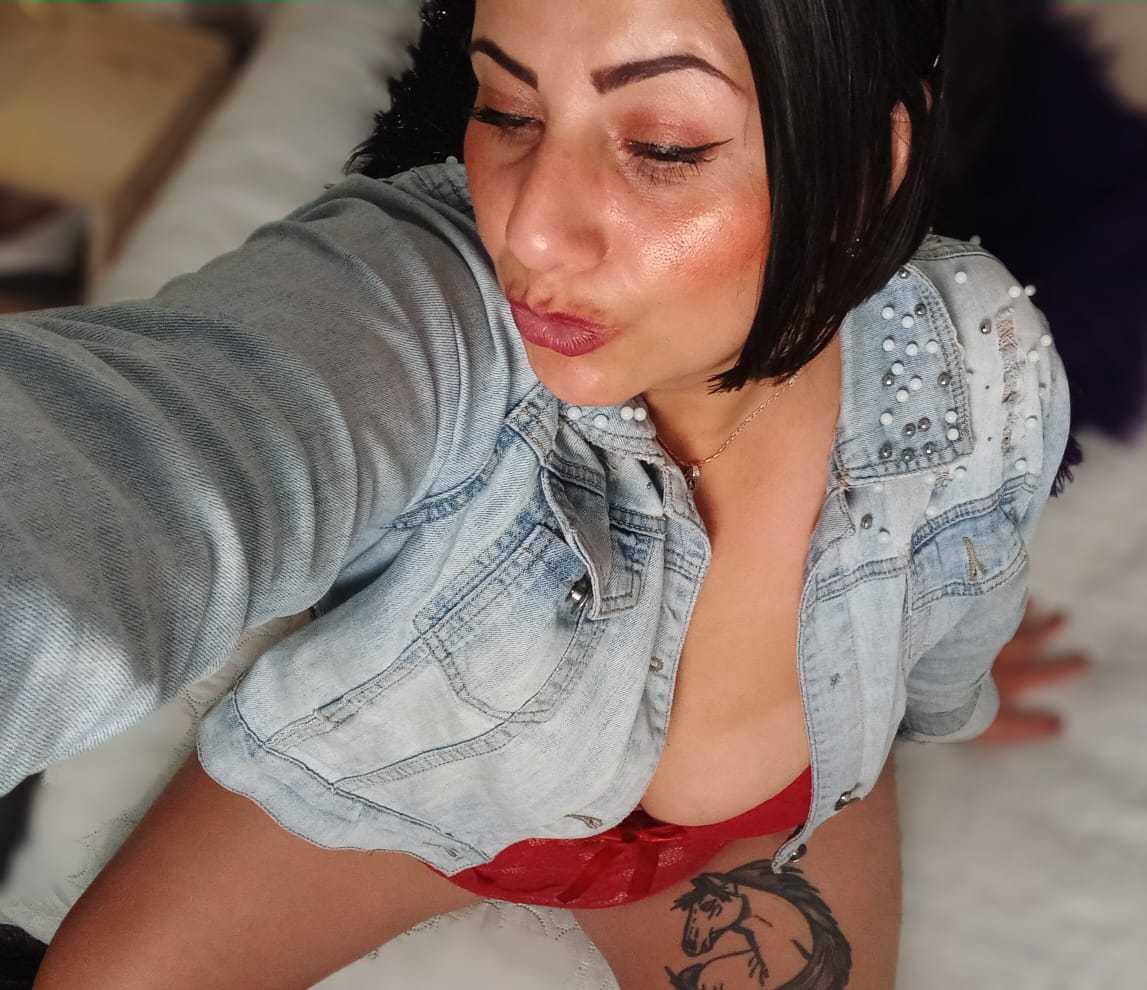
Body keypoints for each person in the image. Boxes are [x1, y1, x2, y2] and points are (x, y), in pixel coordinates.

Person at [3, 0, 1072, 986]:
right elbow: (134, 470)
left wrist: (936, 673)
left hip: (754, 827)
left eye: (663, 146)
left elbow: (964, 592)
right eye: (507, 110)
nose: (529, 232)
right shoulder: (423, 312)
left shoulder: (979, 367)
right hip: (404, 793)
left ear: (868, 167)